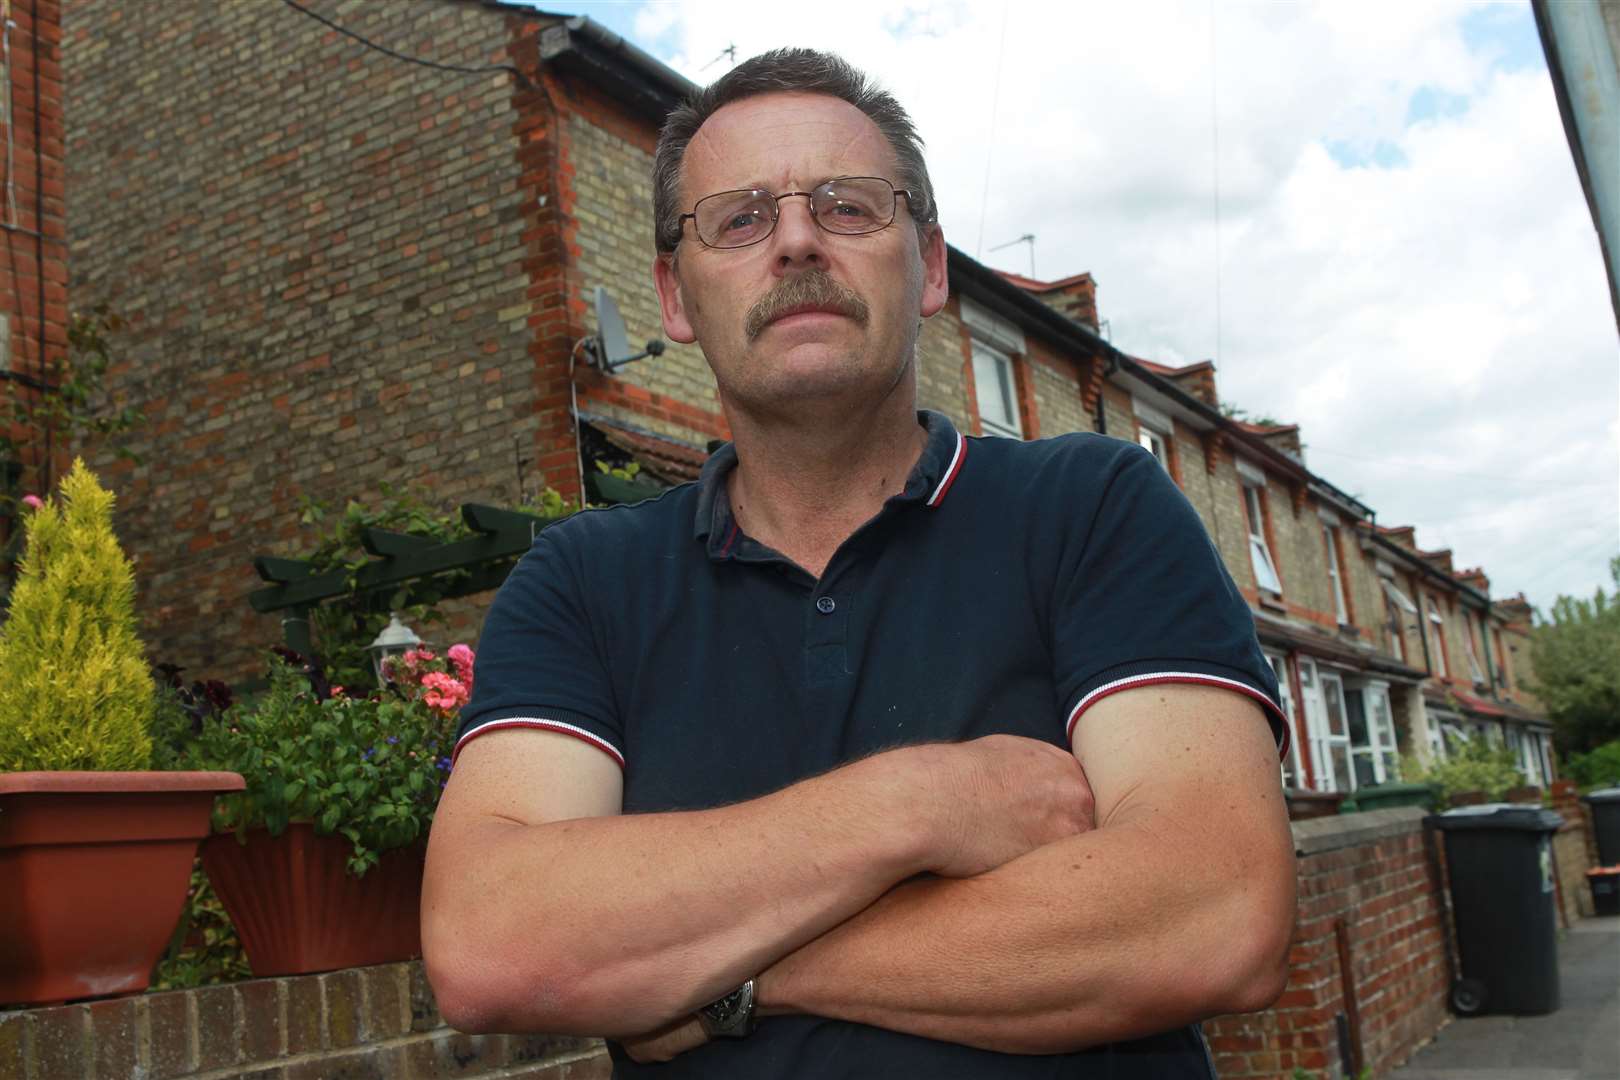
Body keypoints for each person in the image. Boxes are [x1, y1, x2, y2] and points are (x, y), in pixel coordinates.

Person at [423, 47, 1296, 1079]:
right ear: (673, 296)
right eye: (740, 218)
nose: (795, 240)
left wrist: (732, 982)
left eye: (845, 206)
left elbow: (1215, 910)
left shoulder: (1092, 509)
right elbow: (490, 942)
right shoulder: (585, 582)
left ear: (927, 267)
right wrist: (922, 804)